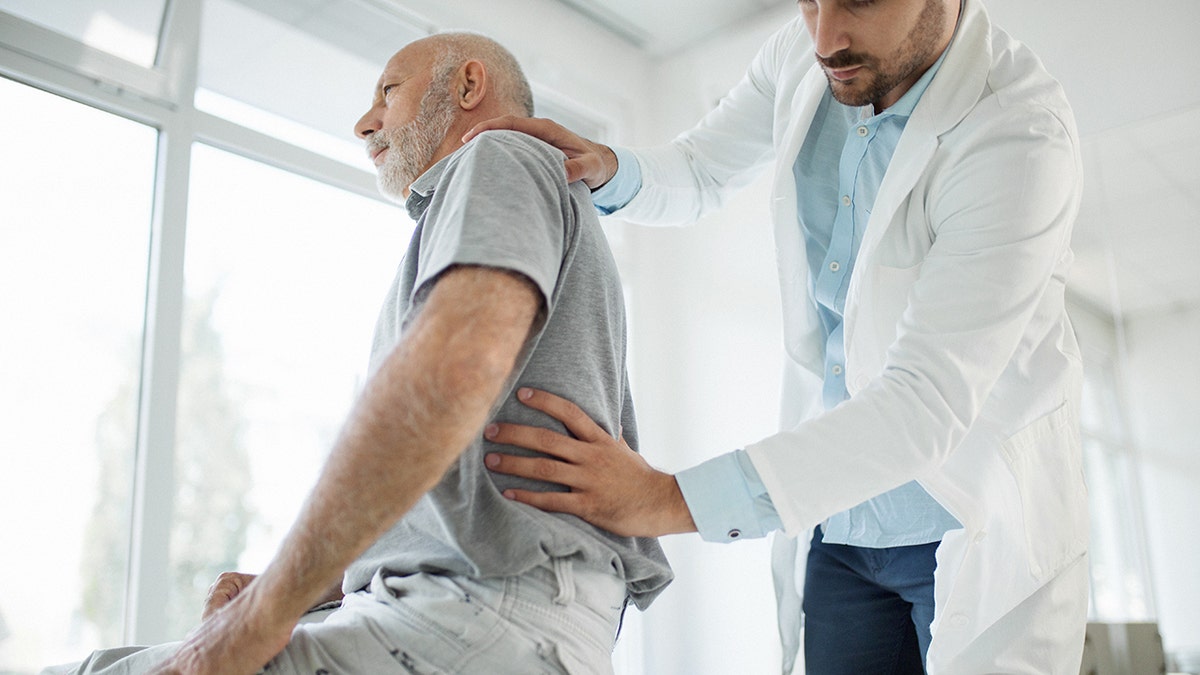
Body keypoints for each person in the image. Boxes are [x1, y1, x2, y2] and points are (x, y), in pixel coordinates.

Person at [468, 0, 1088, 672]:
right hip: (839, 522)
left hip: (969, 520)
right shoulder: (802, 55)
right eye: (810, 1)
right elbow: (702, 166)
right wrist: (608, 165)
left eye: (857, 1)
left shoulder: (1018, 132)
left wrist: (664, 498)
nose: (824, 36)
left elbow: (923, 402)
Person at [43, 31, 671, 675]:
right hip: (502, 619)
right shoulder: (527, 193)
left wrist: (260, 616)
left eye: (388, 92)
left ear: (468, 87)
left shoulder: (501, 154)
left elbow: (451, 374)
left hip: (479, 611)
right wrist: (339, 578)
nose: (364, 121)